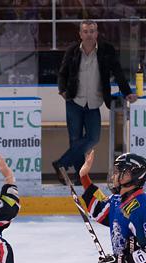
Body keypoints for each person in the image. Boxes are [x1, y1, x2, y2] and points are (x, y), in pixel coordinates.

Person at [54, 20, 136, 181]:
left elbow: (118, 72)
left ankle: (62, 163)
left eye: (92, 31)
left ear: (97, 33)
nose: (89, 34)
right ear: (80, 34)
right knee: (75, 140)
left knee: (93, 138)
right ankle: (79, 178)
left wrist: (127, 92)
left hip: (94, 103)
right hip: (74, 101)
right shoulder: (72, 51)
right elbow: (62, 72)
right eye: (85, 31)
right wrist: (62, 90)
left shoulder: (106, 50)